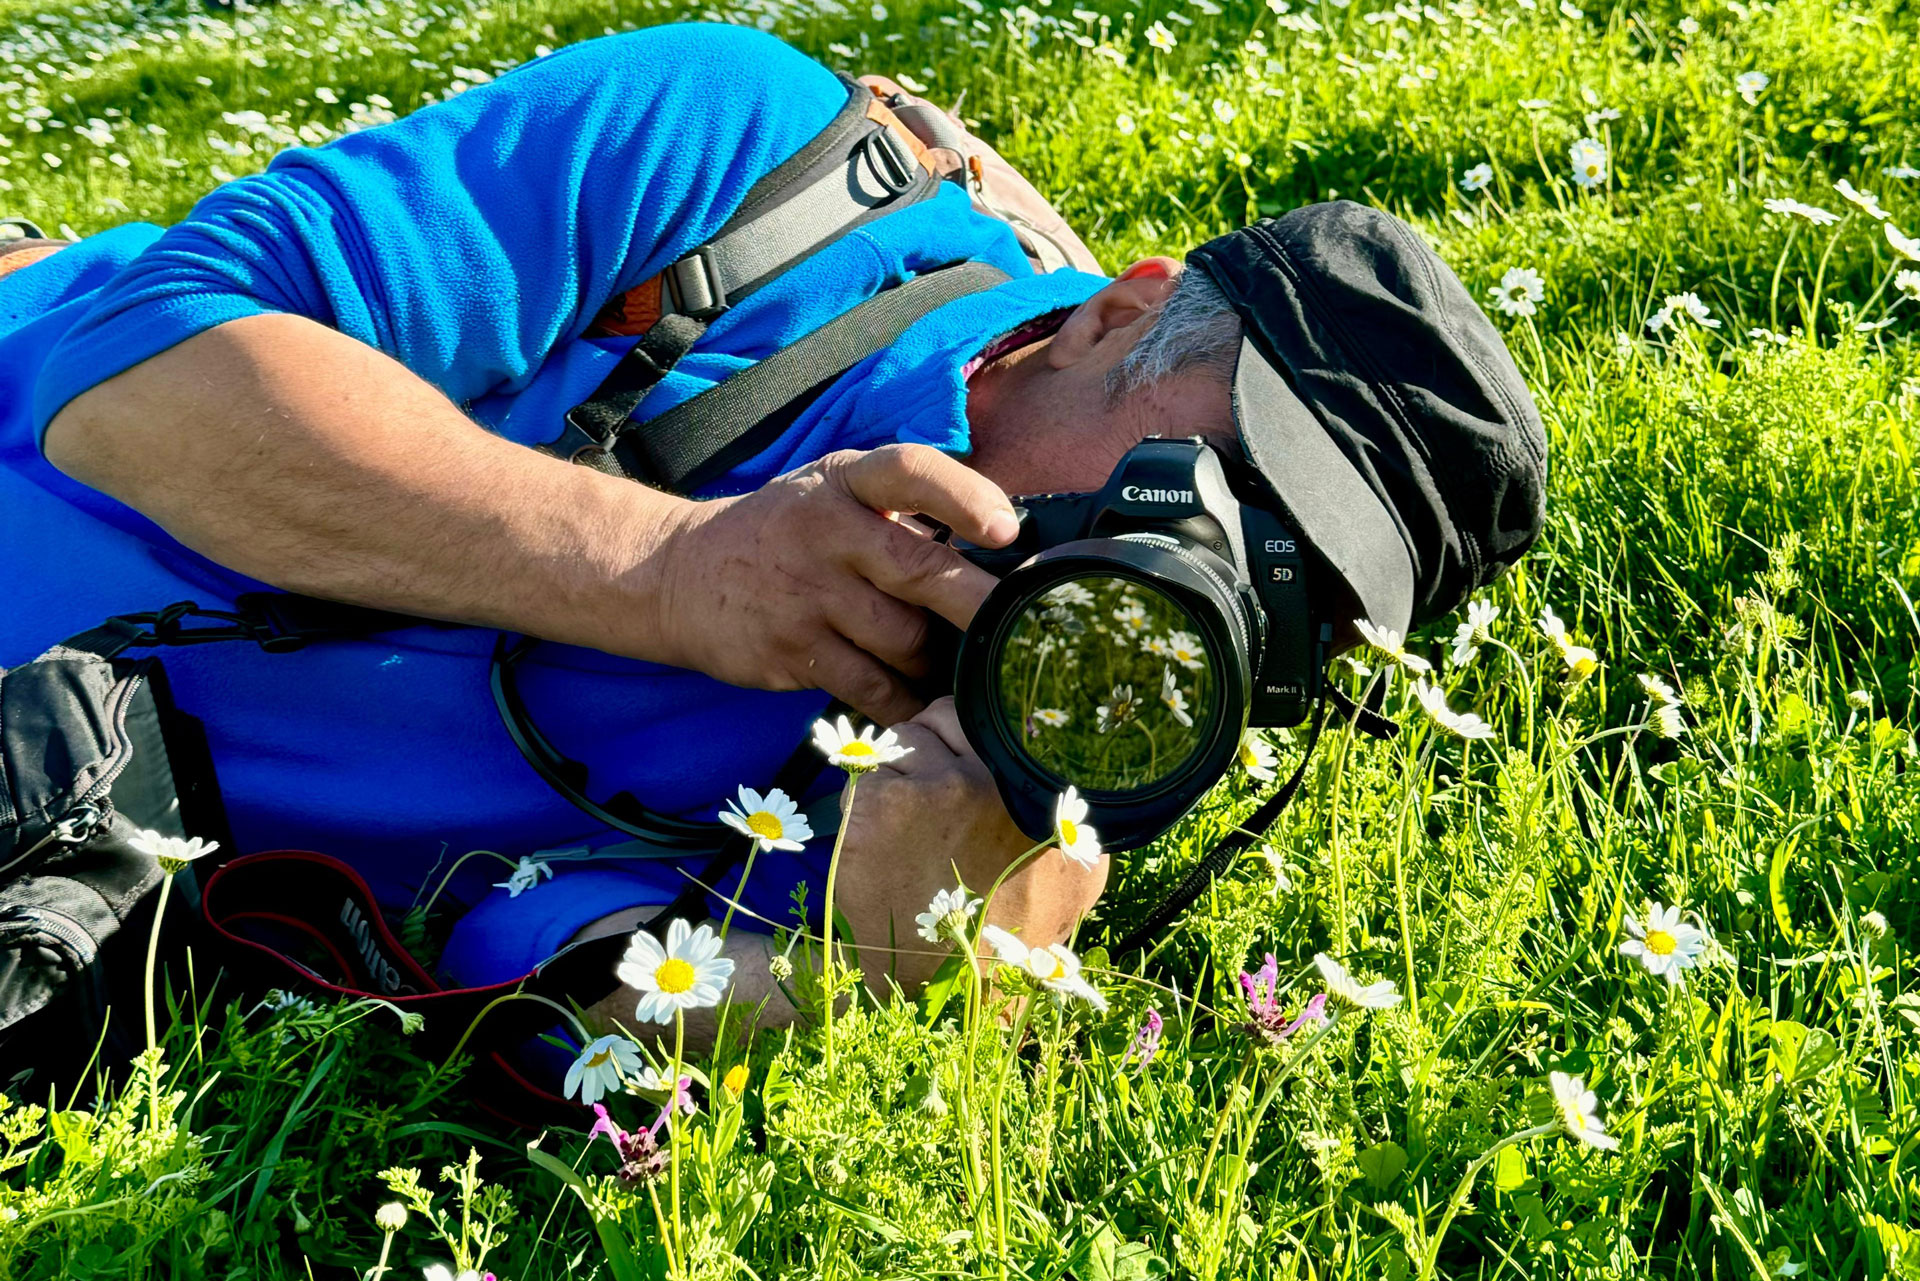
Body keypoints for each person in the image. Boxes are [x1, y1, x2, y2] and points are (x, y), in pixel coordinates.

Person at [0, 23, 1545, 1042]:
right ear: (1113, 315)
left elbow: (556, 1014)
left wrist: (866, 974)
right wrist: (667, 572)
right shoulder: (758, 177)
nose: (1195, 579)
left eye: (1298, 607)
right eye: (1224, 480)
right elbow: (131, 382)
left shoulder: (1014, 773)